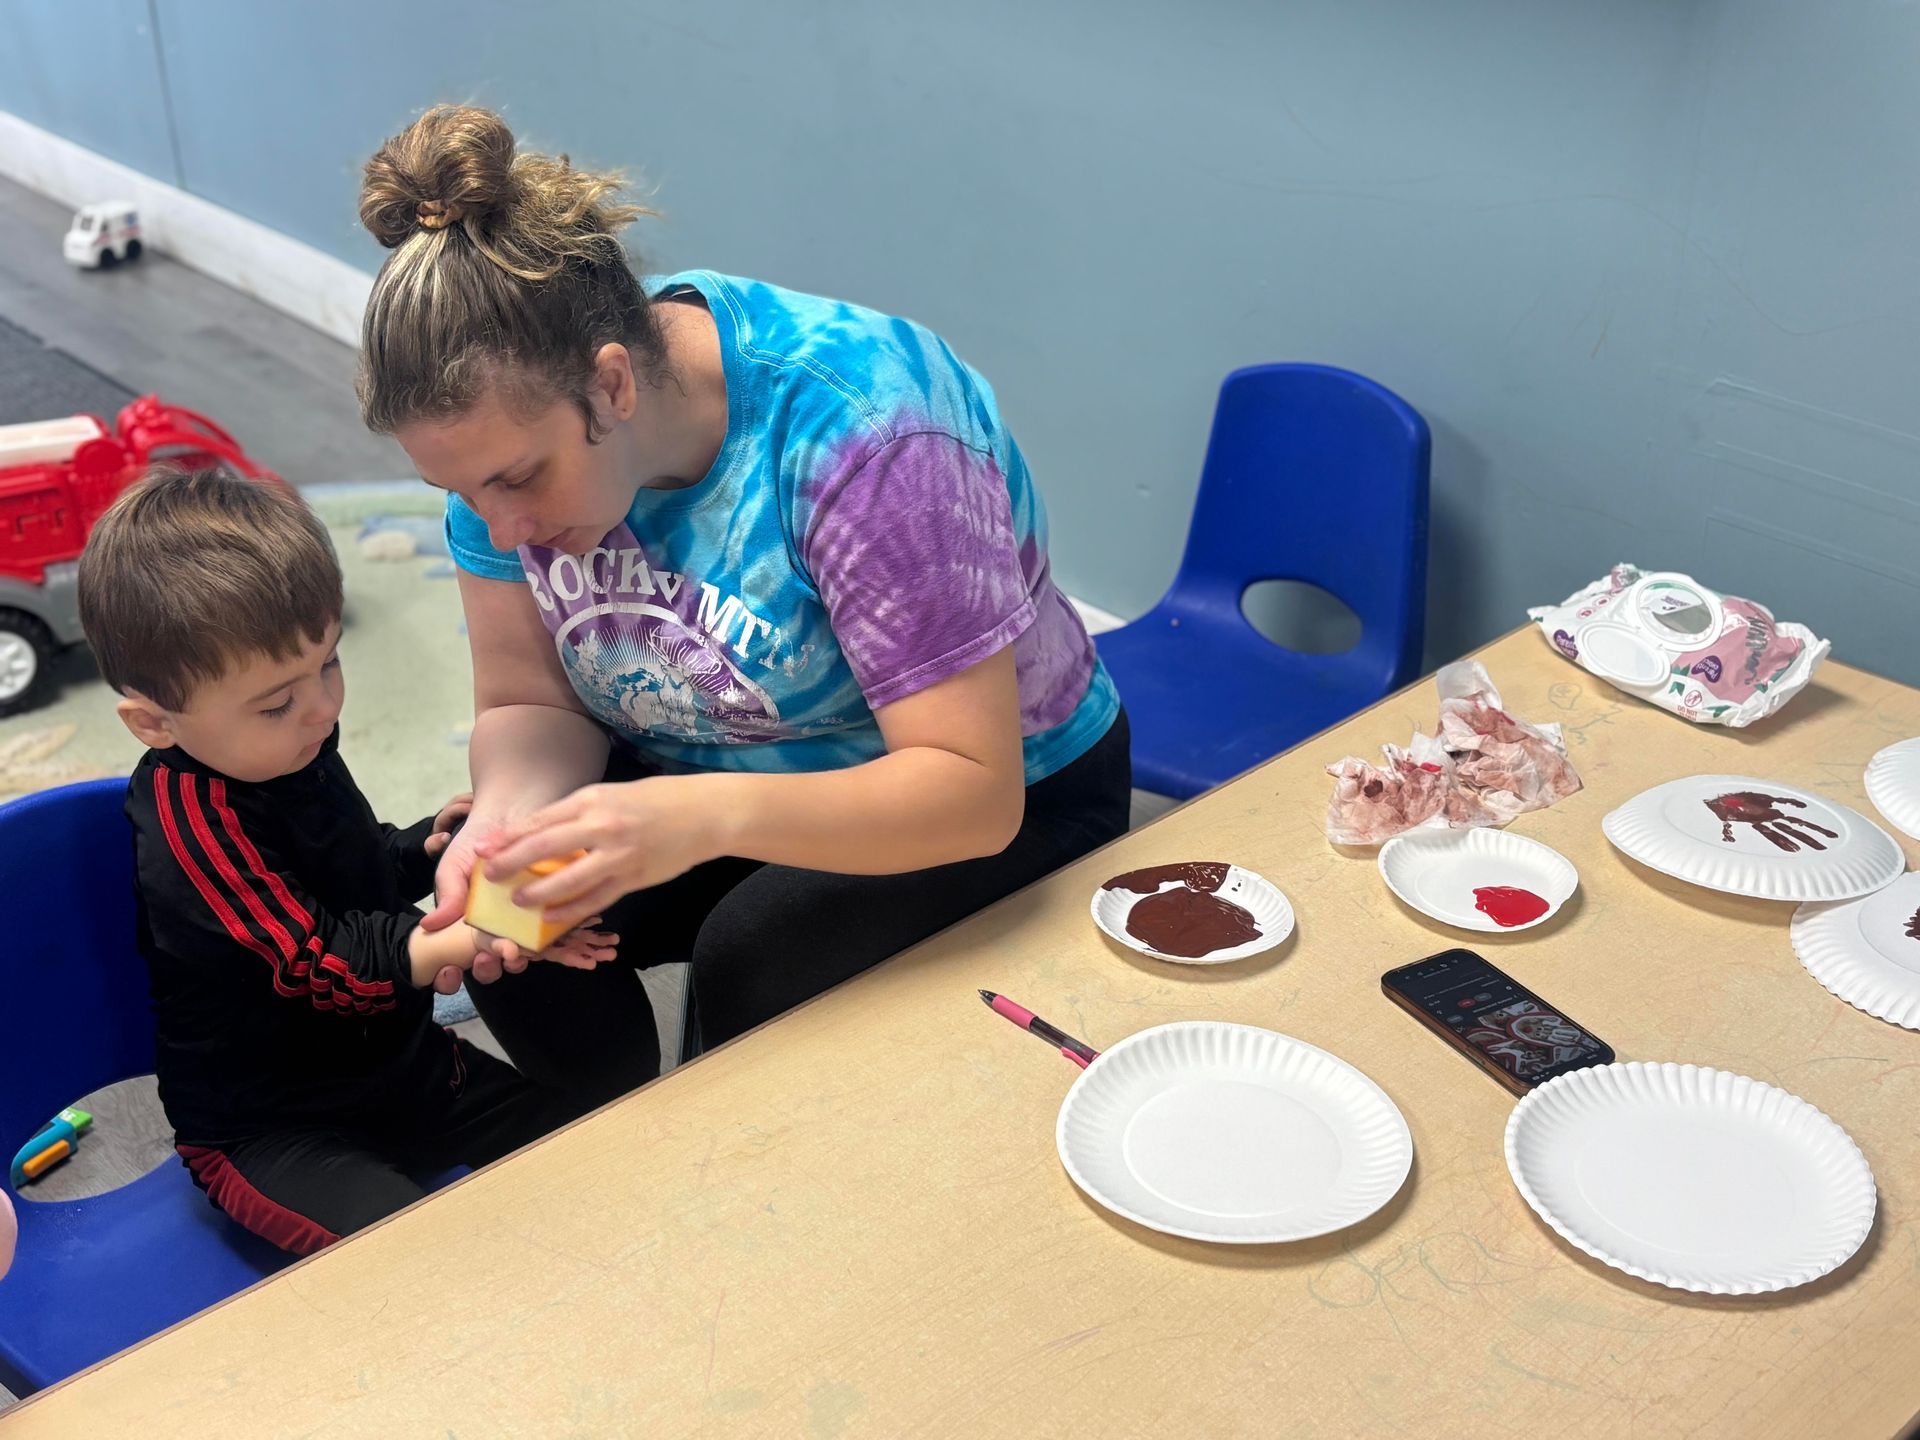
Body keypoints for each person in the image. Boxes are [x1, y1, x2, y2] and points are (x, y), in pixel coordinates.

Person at [357, 105, 1131, 1106]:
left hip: (996, 793)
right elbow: (528, 702)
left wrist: (692, 818)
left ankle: (729, 1172)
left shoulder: (869, 437)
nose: (500, 529)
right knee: (514, 915)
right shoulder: (507, 449)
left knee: (754, 954)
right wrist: (507, 819)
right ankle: (621, 1150)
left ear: (612, 386)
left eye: (518, 479)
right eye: (462, 495)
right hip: (713, 755)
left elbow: (972, 795)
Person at [77, 469, 614, 1254]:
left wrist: (419, 848)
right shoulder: (192, 822)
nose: (324, 709)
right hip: (277, 1134)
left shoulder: (290, 745)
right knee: (420, 1258)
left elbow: (348, 866)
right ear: (152, 722)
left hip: (408, 1075)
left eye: (328, 664)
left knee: (589, 1152)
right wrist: (482, 932)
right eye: (277, 702)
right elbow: (318, 960)